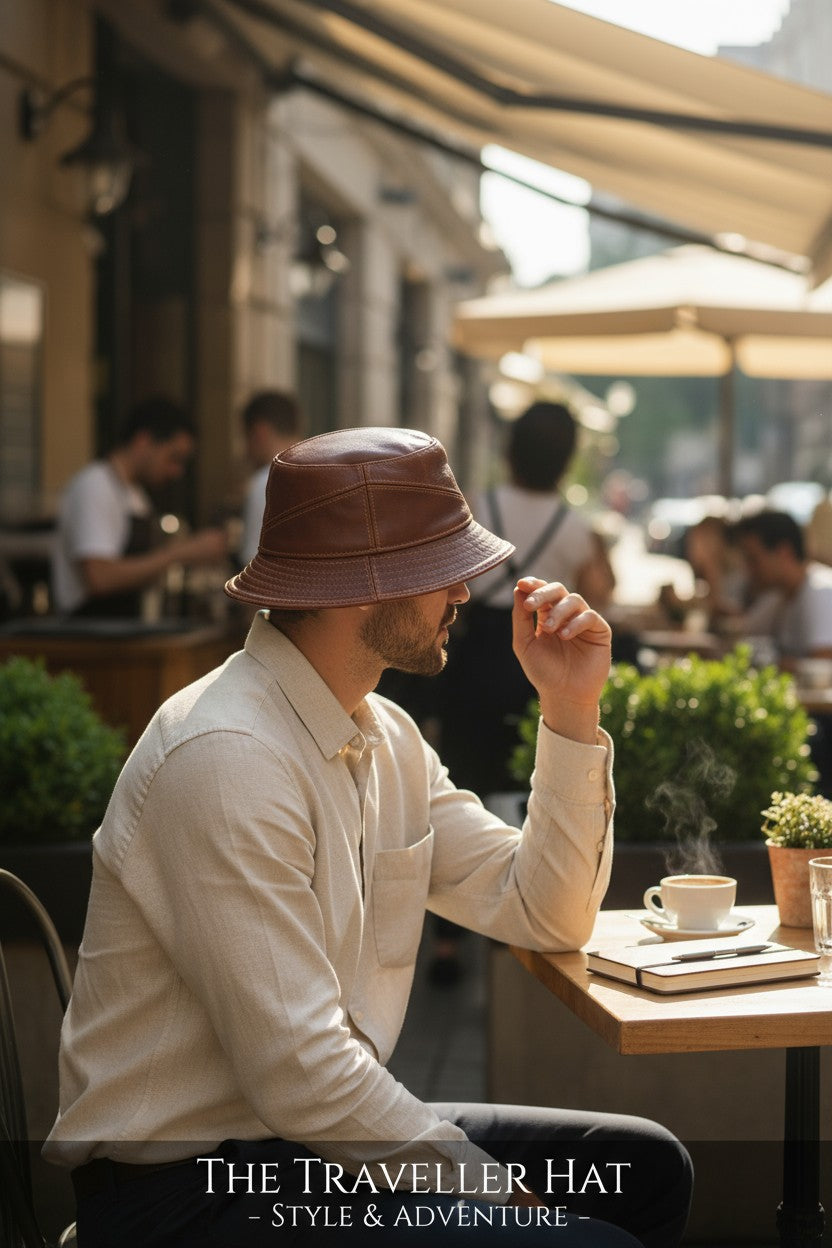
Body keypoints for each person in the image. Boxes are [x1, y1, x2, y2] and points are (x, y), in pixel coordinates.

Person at [44, 427, 691, 1248]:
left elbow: (545, 913)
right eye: (440, 566)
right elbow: (304, 1076)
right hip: (185, 1196)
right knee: (587, 1240)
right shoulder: (226, 758)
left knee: (646, 1169)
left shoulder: (384, 733)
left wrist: (570, 709)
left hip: (307, 1149)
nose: (465, 590)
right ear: (359, 588)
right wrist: (497, 1194)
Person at [439, 400, 615, 802]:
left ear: (510, 449)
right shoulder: (577, 528)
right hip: (541, 650)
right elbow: (603, 593)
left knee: (466, 776)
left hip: (474, 654)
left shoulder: (474, 507)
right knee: (528, 775)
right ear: (567, 460)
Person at [51, 396, 228, 617]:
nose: (176, 471)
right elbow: (99, 577)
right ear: (143, 441)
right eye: (173, 457)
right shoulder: (95, 486)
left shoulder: (136, 495)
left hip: (124, 631)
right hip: (86, 635)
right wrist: (179, 553)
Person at [734, 508, 832, 795]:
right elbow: (737, 640)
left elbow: (824, 667)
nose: (749, 570)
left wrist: (777, 664)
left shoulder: (820, 592)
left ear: (783, 551)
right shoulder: (781, 597)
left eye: (754, 559)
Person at [239, 389, 301, 565]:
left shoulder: (267, 482)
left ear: (260, 432)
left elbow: (254, 564)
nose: (246, 451)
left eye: (246, 438)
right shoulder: (320, 473)